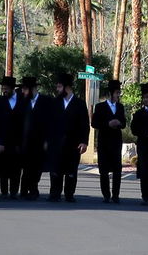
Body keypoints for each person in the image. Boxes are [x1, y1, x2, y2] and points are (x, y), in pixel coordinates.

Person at [44, 71, 89, 203]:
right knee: (55, 169)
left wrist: (84, 142)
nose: (57, 89)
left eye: (59, 86)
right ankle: (55, 194)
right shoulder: (54, 102)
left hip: (73, 143)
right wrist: (46, 140)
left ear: (67, 87)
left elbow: (84, 124)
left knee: (71, 170)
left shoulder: (80, 104)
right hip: (56, 143)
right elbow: (49, 124)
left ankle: (69, 194)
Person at [91, 79, 126, 203]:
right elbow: (94, 123)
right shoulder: (100, 107)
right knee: (104, 170)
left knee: (117, 170)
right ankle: (106, 195)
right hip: (104, 142)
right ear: (111, 93)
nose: (118, 95)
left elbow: (124, 123)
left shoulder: (120, 107)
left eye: (119, 93)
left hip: (116, 142)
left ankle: (116, 195)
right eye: (116, 93)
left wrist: (119, 123)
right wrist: (108, 124)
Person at [17, 76, 47, 199]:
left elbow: (50, 123)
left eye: (25, 89)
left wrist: (47, 140)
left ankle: (33, 188)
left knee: (36, 168)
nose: (23, 91)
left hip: (39, 142)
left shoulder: (46, 102)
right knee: (26, 167)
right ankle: (25, 190)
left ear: (32, 89)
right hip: (24, 143)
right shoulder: (22, 103)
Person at [0, 75, 22, 199]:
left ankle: (14, 192)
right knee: (3, 168)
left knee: (16, 168)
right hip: (3, 141)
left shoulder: (22, 101)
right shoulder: (0, 102)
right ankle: (4, 191)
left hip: (17, 142)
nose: (4, 91)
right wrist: (0, 142)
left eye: (6, 89)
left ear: (12, 88)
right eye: (3, 89)